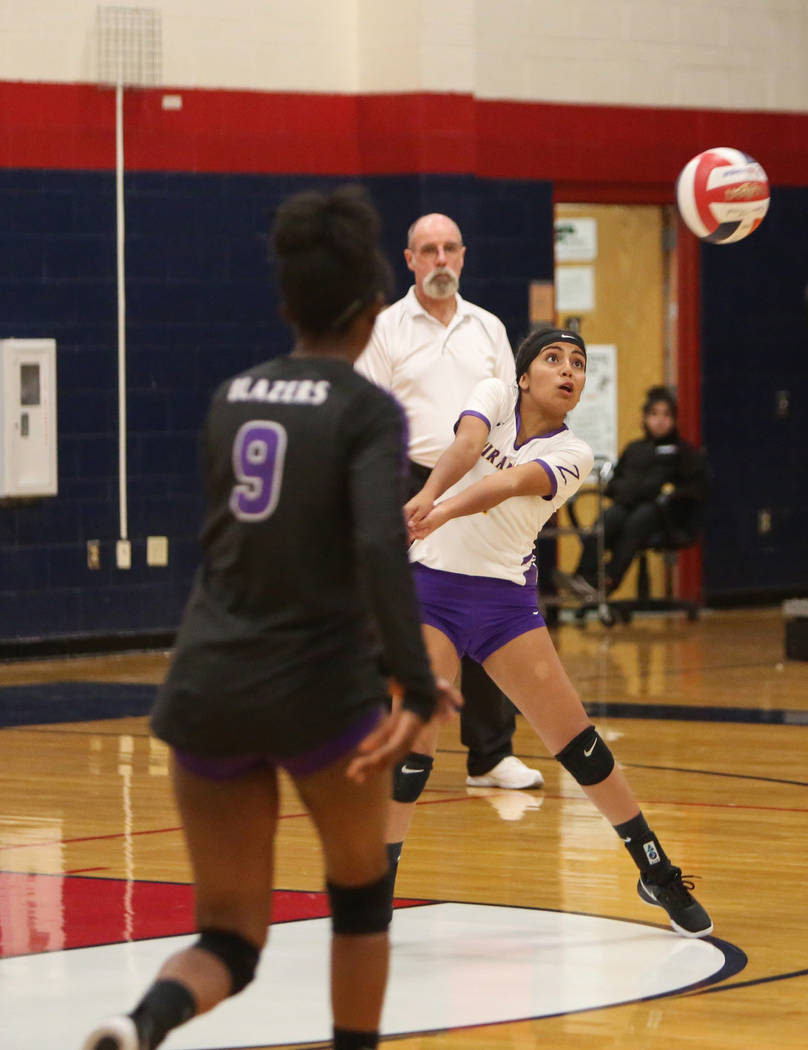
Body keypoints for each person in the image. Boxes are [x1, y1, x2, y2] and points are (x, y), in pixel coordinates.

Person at [80, 186, 461, 1050]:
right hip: (320, 694)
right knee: (360, 905)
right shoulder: (368, 411)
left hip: (206, 683)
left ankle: (139, 1025)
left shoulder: (232, 396)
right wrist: (410, 677)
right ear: (371, 314)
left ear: (286, 303)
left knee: (231, 937)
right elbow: (377, 544)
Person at [393, 327, 713, 938]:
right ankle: (374, 889)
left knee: (581, 745)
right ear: (523, 375)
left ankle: (655, 869)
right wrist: (427, 496)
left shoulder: (576, 454)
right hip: (431, 589)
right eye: (553, 358)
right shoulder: (491, 393)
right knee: (413, 747)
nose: (568, 370)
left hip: (504, 602)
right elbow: (464, 448)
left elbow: (505, 486)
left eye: (578, 364)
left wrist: (433, 514)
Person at [356, 211, 542, 793]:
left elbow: (510, 412)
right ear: (409, 259)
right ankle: (383, 743)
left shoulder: (488, 328)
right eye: (428, 250)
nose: (440, 260)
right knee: (401, 617)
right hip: (407, 480)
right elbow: (367, 413)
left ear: (463, 255)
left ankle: (491, 754)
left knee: (484, 610)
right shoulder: (385, 329)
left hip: (477, 483)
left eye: (450, 249)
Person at [558, 384, 709, 601]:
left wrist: (668, 495)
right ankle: (584, 577)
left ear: (674, 419)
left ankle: (609, 579)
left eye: (666, 415)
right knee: (608, 517)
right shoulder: (634, 449)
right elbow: (614, 484)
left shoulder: (683, 452)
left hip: (665, 516)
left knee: (640, 519)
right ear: (645, 417)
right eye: (654, 414)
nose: (660, 420)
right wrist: (624, 492)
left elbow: (696, 488)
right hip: (628, 506)